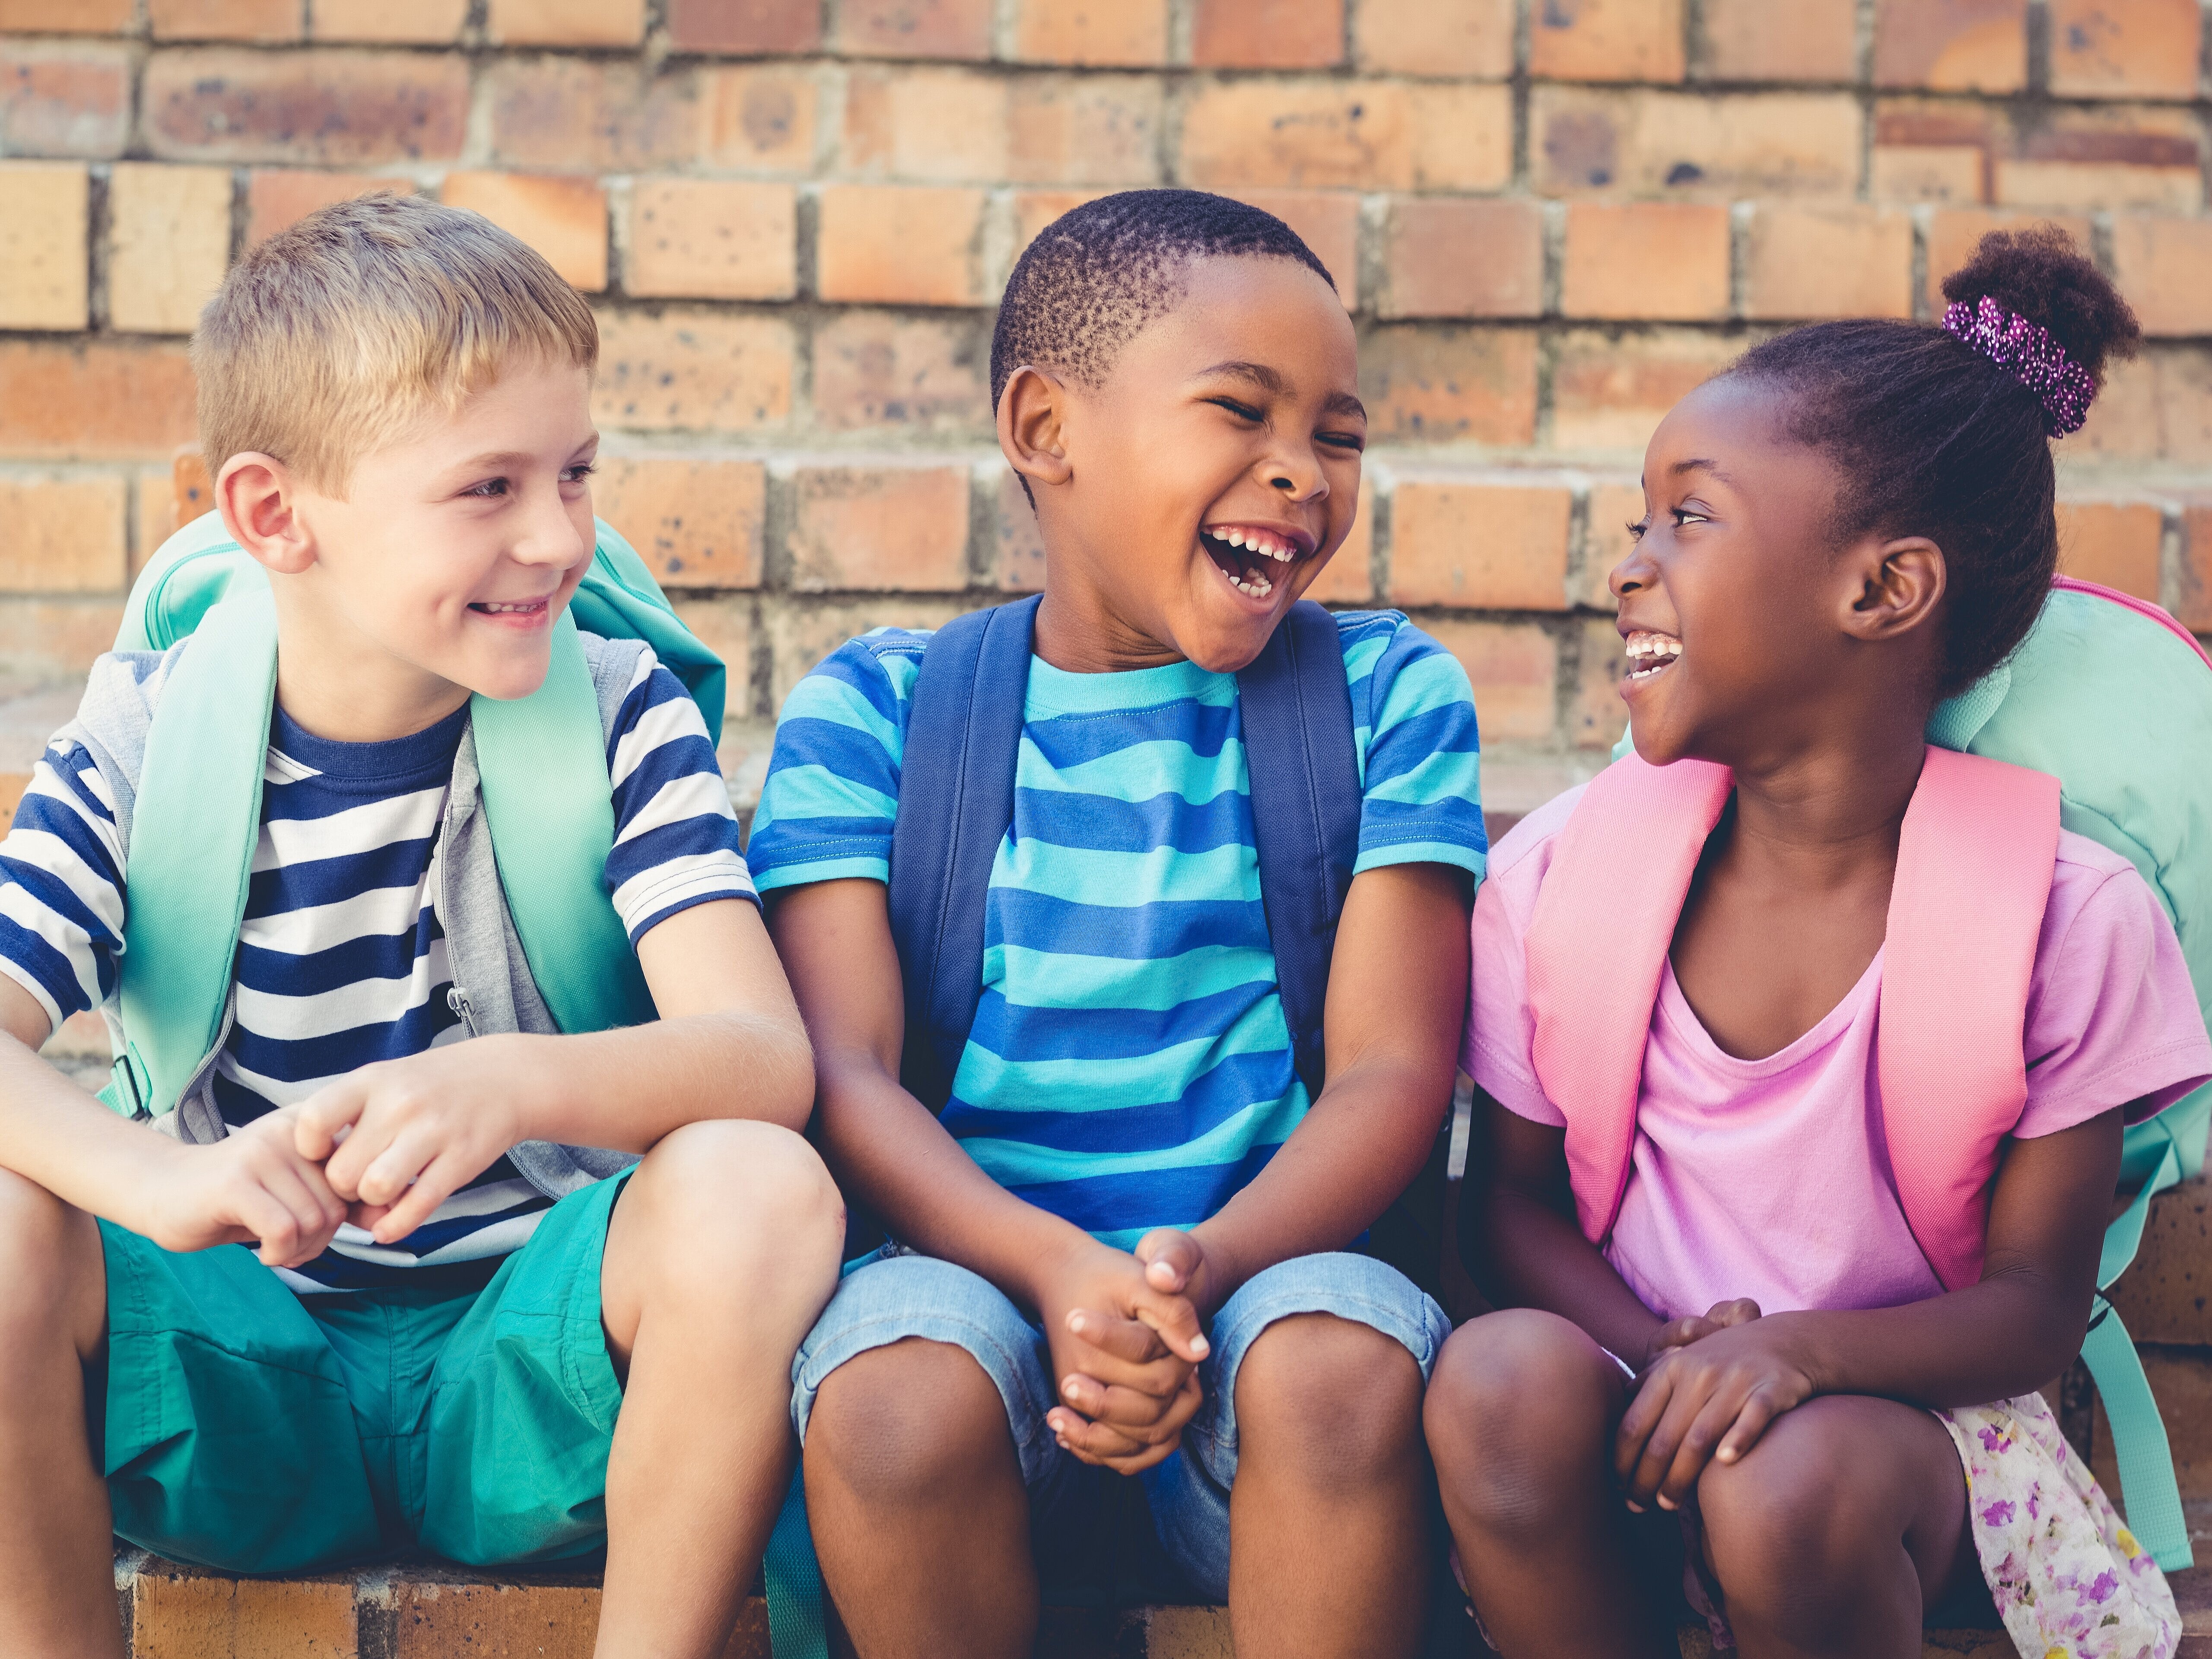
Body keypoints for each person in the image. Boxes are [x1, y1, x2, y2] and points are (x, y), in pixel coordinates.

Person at [0, 195, 843, 1659]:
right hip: (239, 1373)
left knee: (758, 1185)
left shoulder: (619, 712)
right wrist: (160, 1185)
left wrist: (513, 1083)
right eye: (489, 490)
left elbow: (765, 1055)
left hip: (533, 1382)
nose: (562, 537)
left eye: (576, 474)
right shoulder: (145, 740)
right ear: (277, 516)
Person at [1427, 227, 2212, 1659]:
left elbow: (2033, 1310)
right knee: (1495, 1377)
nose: (1631, 568)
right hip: (1644, 1404)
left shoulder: (2067, 916)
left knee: (1785, 1484)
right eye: (1637, 524)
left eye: (1690, 520)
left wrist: (1790, 1357)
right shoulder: (1560, 878)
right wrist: (1678, 1352)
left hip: (1908, 1453)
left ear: (1883, 591)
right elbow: (1507, 1216)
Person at [749, 189, 1486, 1658]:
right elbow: (845, 1074)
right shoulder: (878, 714)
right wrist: (1056, 1279)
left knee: (1340, 1357)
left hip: (1265, 1312)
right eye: (1240, 411)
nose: (1301, 474)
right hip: (980, 1327)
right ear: (1044, 429)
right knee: (887, 1397)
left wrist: (1188, 1275)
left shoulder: (1389, 697)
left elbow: (1395, 1076)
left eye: (1337, 435)